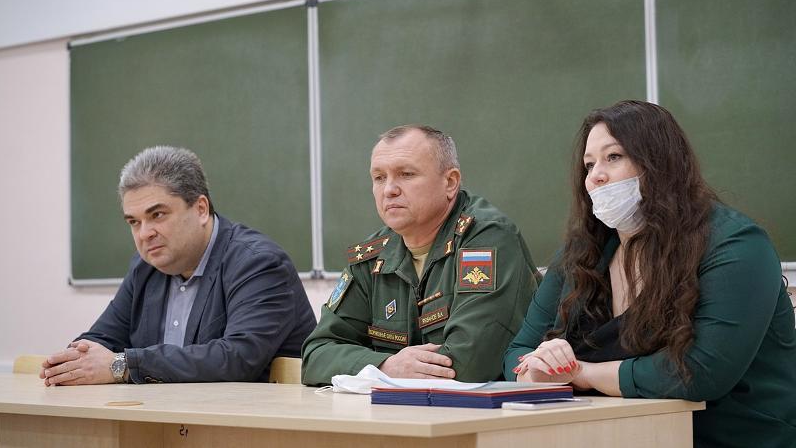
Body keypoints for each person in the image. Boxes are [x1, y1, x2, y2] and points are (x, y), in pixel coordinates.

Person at [504, 100, 796, 447]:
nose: (595, 176)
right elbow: (518, 352)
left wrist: (582, 373)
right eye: (589, 164)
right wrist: (536, 372)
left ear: (659, 164)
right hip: (620, 436)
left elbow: (701, 373)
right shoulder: (582, 253)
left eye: (614, 157)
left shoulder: (737, 245)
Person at [41, 146, 316, 385]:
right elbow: (102, 339)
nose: (144, 233)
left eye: (157, 215)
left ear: (201, 209)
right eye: (134, 222)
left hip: (252, 422)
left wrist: (123, 365)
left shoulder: (258, 263)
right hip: (172, 419)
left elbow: (236, 359)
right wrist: (72, 361)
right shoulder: (145, 268)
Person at [302, 125, 540, 384]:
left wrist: (375, 371)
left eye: (406, 174)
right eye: (379, 177)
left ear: (450, 182)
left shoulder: (487, 239)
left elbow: (467, 365)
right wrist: (386, 366)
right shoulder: (372, 257)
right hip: (401, 408)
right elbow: (316, 356)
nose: (389, 189)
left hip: (489, 408)